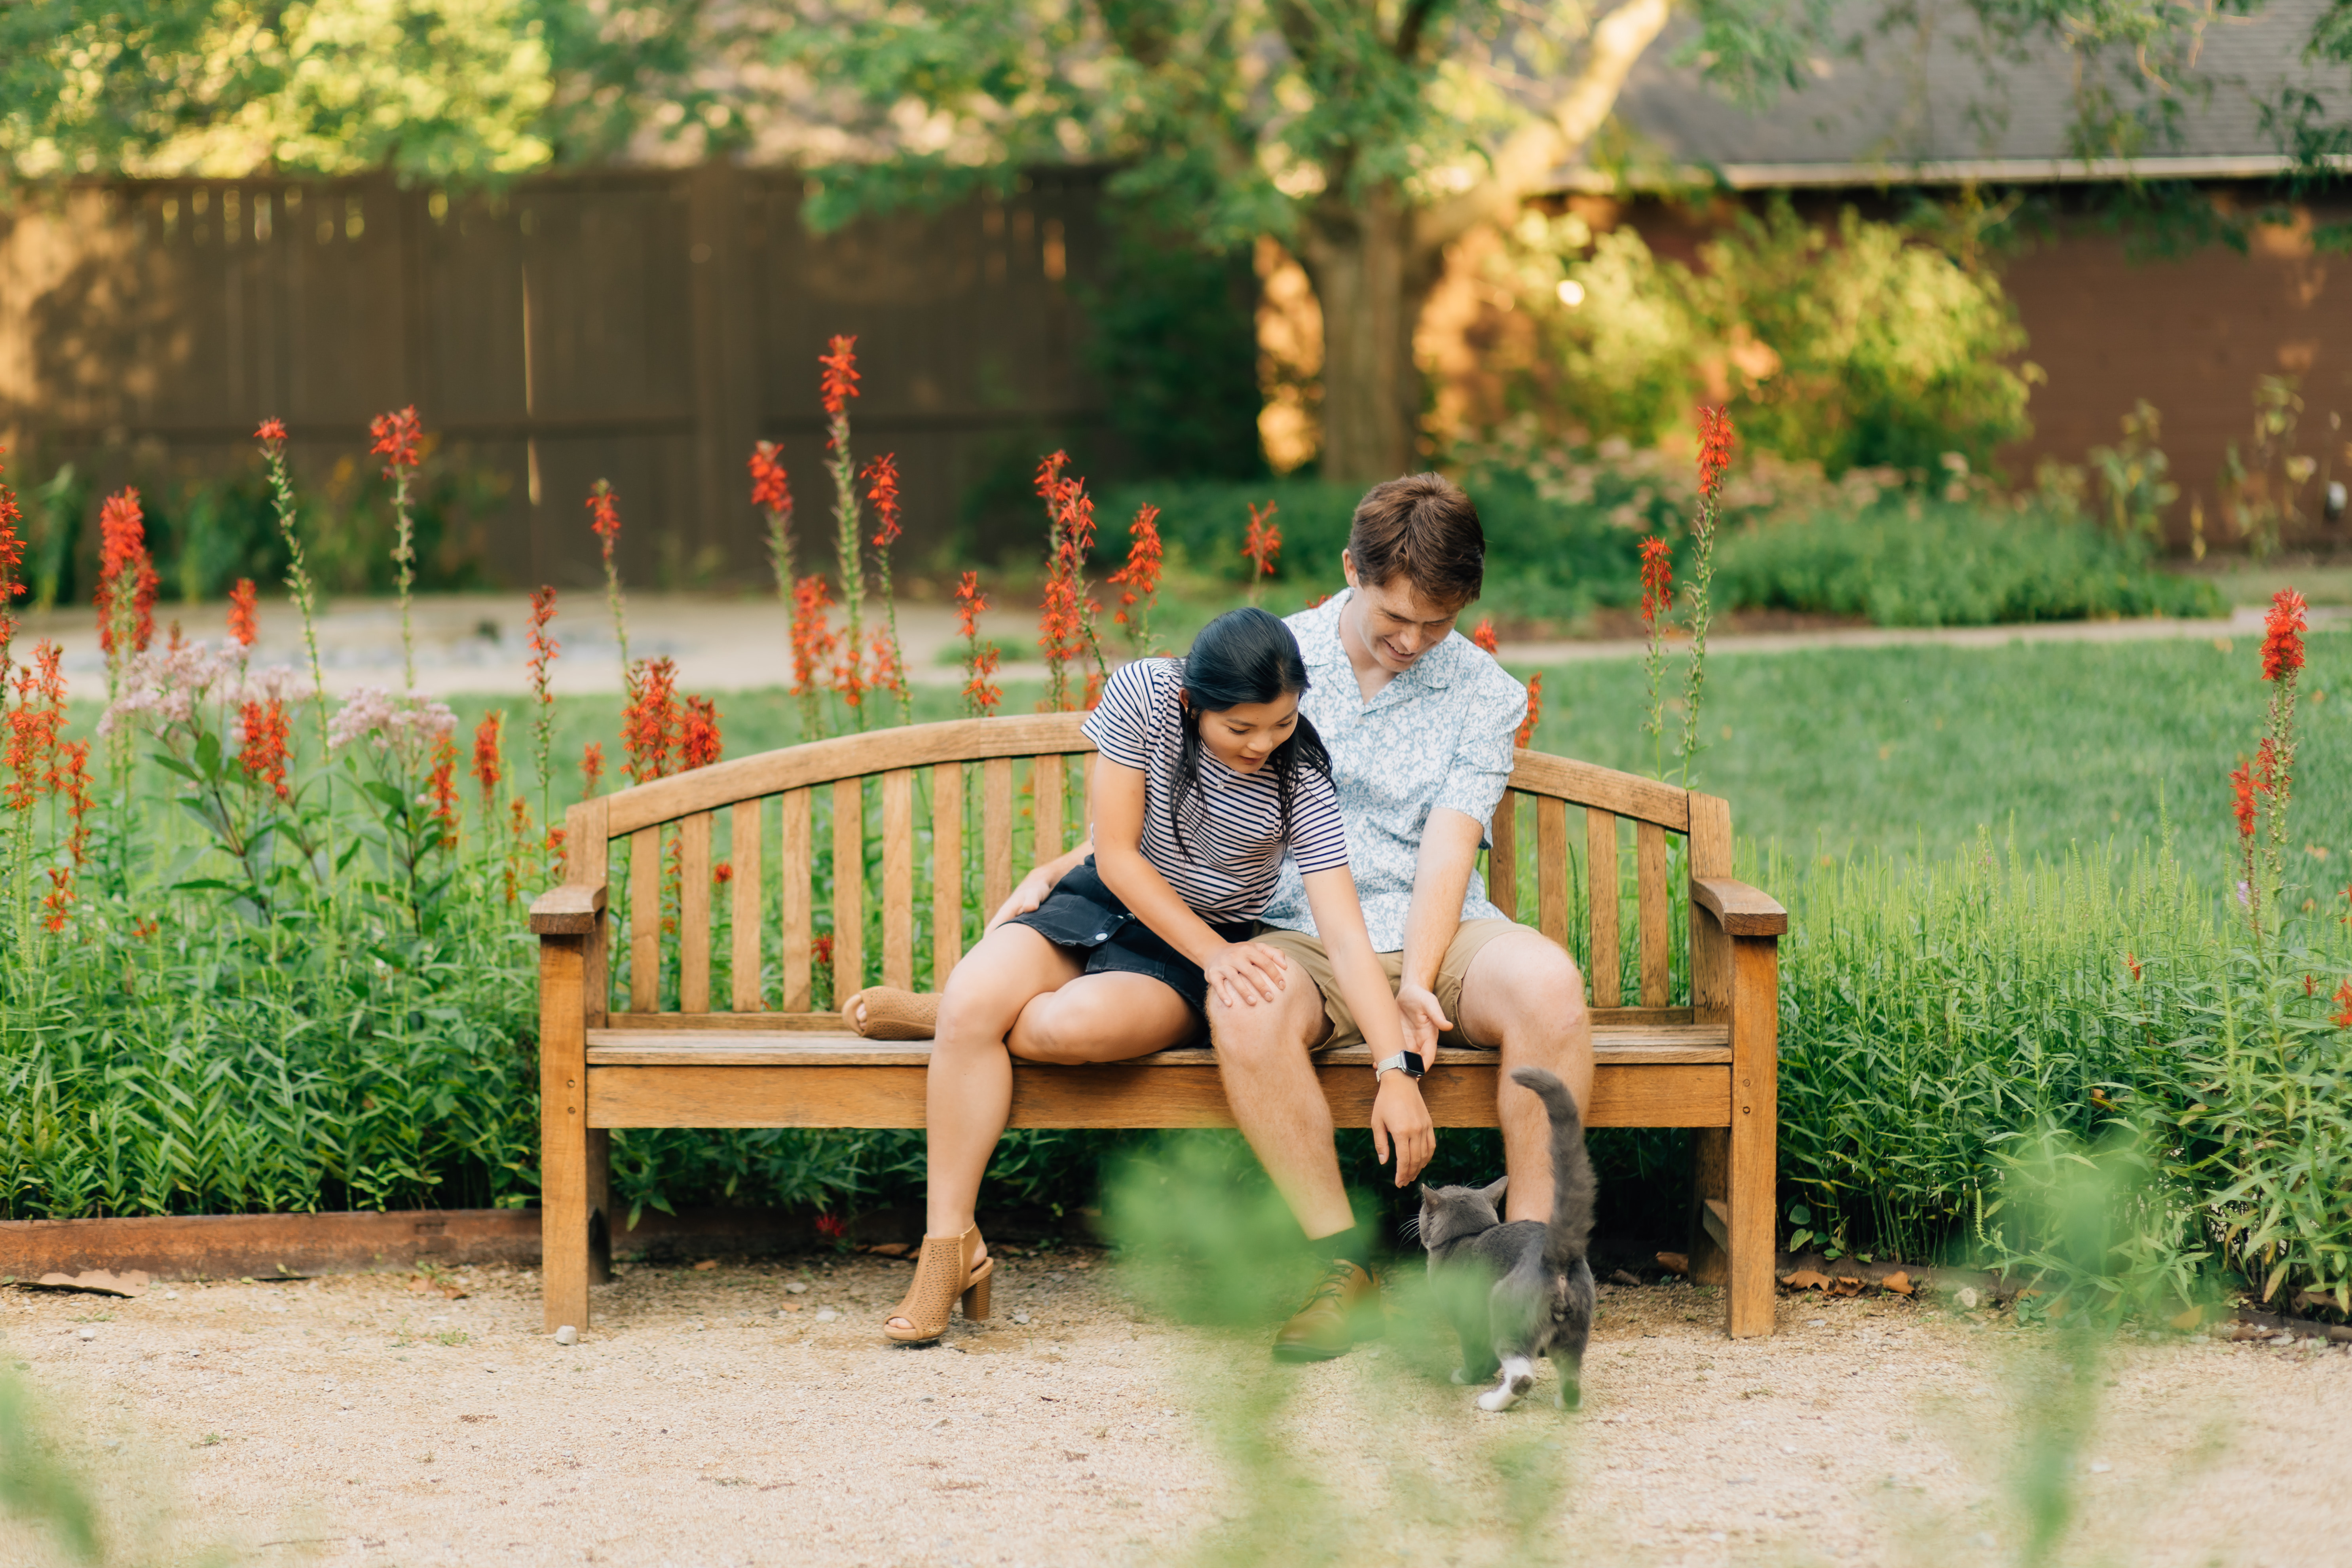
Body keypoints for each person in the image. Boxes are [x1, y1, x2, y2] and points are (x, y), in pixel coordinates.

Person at [872, 607, 1419, 1344]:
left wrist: (1396, 1069)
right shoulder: (1144, 694)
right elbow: (1119, 855)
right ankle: (950, 1248)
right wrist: (1215, 953)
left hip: (1186, 952)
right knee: (976, 1002)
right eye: (1241, 728)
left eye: (1282, 723)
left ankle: (950, 1017)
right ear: (1195, 702)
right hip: (1104, 898)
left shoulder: (1301, 780)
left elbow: (1348, 942)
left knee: (1056, 1025)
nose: (1264, 744)